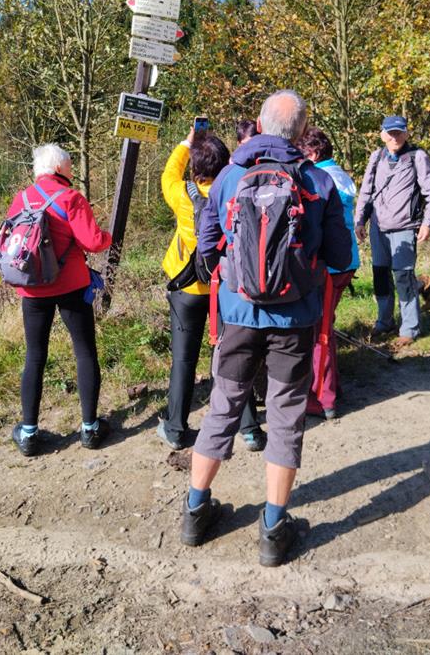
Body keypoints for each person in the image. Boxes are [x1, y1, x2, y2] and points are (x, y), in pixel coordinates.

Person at [180, 91, 352, 566]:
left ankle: (196, 513)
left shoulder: (230, 177)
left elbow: (207, 248)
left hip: (236, 316)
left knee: (223, 405)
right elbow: (339, 255)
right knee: (285, 412)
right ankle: (274, 529)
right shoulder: (317, 181)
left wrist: (237, 276)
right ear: (301, 131)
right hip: (294, 320)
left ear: (258, 124)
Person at [159, 127, 266, 452]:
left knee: (183, 359)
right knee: (236, 357)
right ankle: (249, 430)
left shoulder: (181, 194)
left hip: (188, 287)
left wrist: (186, 142)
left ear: (195, 169)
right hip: (227, 289)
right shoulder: (234, 191)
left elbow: (168, 173)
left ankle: (176, 429)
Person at [7, 144, 113, 457]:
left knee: (35, 355)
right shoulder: (71, 198)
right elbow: (93, 242)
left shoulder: (21, 198)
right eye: (68, 166)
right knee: (84, 351)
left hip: (32, 288)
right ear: (59, 169)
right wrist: (109, 237)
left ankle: (28, 433)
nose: (71, 171)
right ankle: (90, 429)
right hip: (70, 287)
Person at [354, 115, 430, 348]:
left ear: (406, 133)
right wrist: (359, 220)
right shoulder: (376, 157)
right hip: (378, 228)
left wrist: (428, 223)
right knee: (380, 275)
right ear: (382, 134)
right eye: (390, 133)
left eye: (399, 132)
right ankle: (384, 322)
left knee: (403, 276)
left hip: (405, 228)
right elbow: (366, 191)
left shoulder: (417, 157)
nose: (395, 137)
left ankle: (409, 329)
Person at [296, 126, 359, 420]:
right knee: (326, 327)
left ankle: (324, 398)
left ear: (313, 152)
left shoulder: (319, 178)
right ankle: (332, 387)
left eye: (301, 152)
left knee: (320, 332)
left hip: (330, 266)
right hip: (346, 262)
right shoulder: (340, 174)